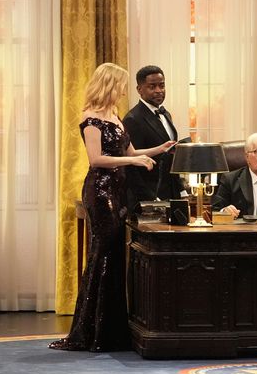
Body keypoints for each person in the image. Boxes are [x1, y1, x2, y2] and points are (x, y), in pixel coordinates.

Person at [49, 63, 173, 352]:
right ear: (109, 84)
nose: (123, 90)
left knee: (114, 256)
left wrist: (157, 150)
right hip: (101, 191)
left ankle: (111, 330)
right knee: (102, 256)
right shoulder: (91, 117)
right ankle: (91, 331)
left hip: (117, 190)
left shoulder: (114, 115)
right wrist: (133, 162)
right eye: (120, 85)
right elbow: (97, 159)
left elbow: (129, 152)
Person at [123, 65, 187, 211]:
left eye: (162, 85)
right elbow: (131, 166)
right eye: (152, 87)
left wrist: (180, 189)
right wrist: (150, 198)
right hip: (149, 197)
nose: (159, 90)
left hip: (170, 192)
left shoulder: (166, 114)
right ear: (139, 90)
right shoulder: (133, 119)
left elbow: (171, 157)